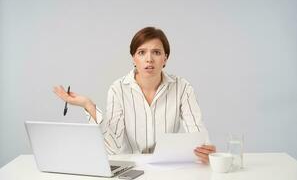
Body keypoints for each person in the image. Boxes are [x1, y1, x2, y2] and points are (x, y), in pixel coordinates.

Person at [53, 27, 216, 164]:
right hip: (130, 167)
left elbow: (198, 136)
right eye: (142, 52)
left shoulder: (182, 87)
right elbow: (112, 147)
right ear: (133, 58)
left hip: (167, 169)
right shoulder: (118, 89)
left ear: (165, 58)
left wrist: (205, 149)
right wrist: (88, 105)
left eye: (157, 52)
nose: (149, 59)